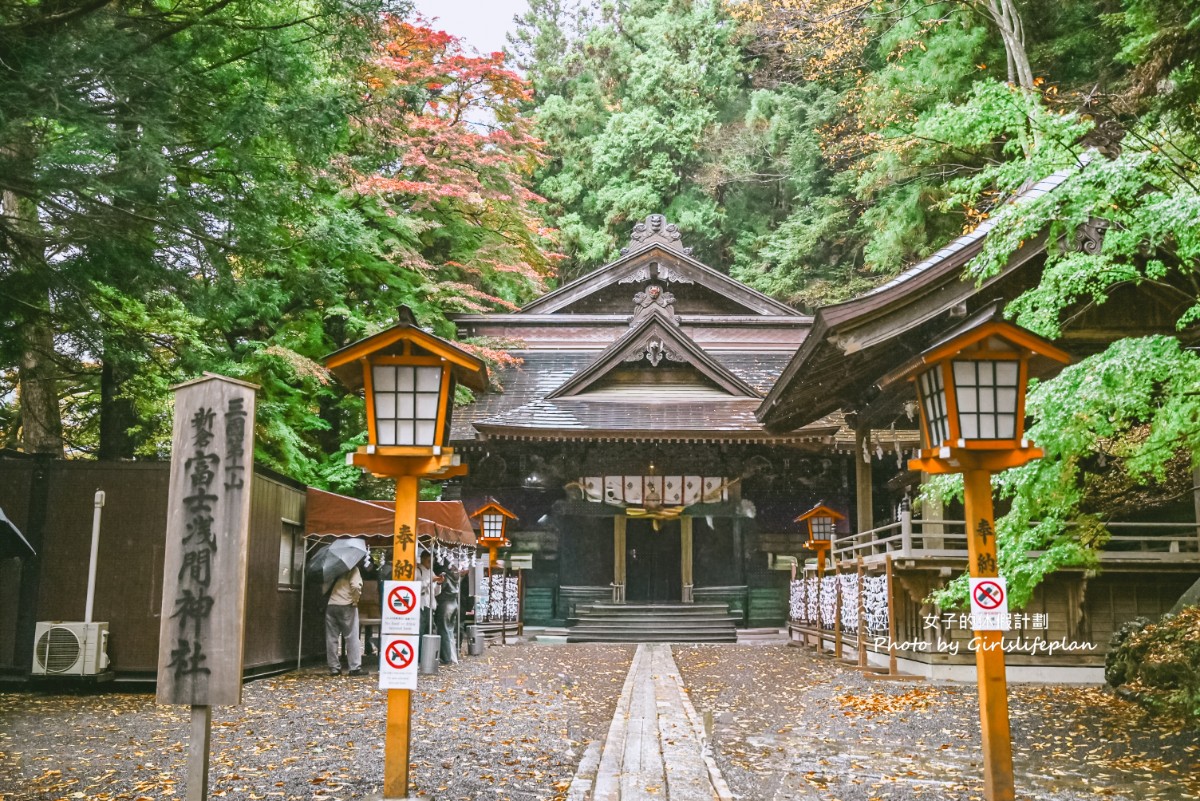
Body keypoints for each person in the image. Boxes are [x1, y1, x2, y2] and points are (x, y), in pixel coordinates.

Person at [326, 564, 363, 676]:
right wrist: (355, 600)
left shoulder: (334, 568)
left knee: (331, 637)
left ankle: (334, 668)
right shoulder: (353, 569)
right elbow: (356, 586)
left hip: (331, 604)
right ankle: (354, 667)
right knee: (351, 636)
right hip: (347, 604)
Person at [415, 549, 443, 636]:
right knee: (421, 631)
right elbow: (417, 588)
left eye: (432, 562)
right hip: (421, 605)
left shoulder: (431, 572)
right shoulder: (417, 571)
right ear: (422, 559)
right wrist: (430, 580)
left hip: (430, 605)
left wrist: (438, 583)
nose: (430, 564)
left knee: (429, 631)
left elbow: (436, 592)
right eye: (428, 561)